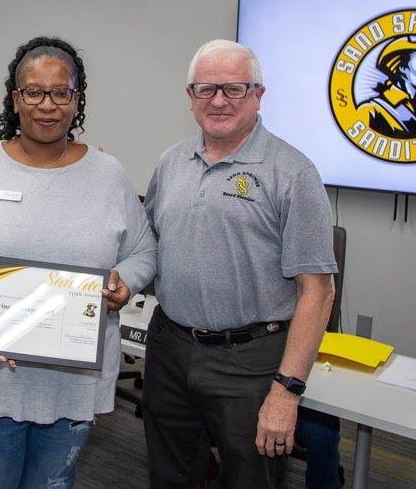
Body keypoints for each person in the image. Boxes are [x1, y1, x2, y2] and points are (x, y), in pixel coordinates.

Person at [0, 36, 157, 489]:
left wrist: (125, 284)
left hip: (73, 384)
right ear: (15, 97)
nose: (47, 105)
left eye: (60, 92)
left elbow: (145, 250)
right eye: (33, 92)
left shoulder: (109, 175)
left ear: (76, 98)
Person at [142, 39, 337, 489]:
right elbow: (149, 245)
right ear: (190, 96)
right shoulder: (171, 162)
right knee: (168, 476)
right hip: (170, 349)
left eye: (233, 88)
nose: (218, 100)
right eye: (206, 88)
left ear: (258, 95)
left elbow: (317, 291)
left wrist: (287, 392)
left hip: (251, 363)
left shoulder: (293, 173)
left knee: (250, 480)